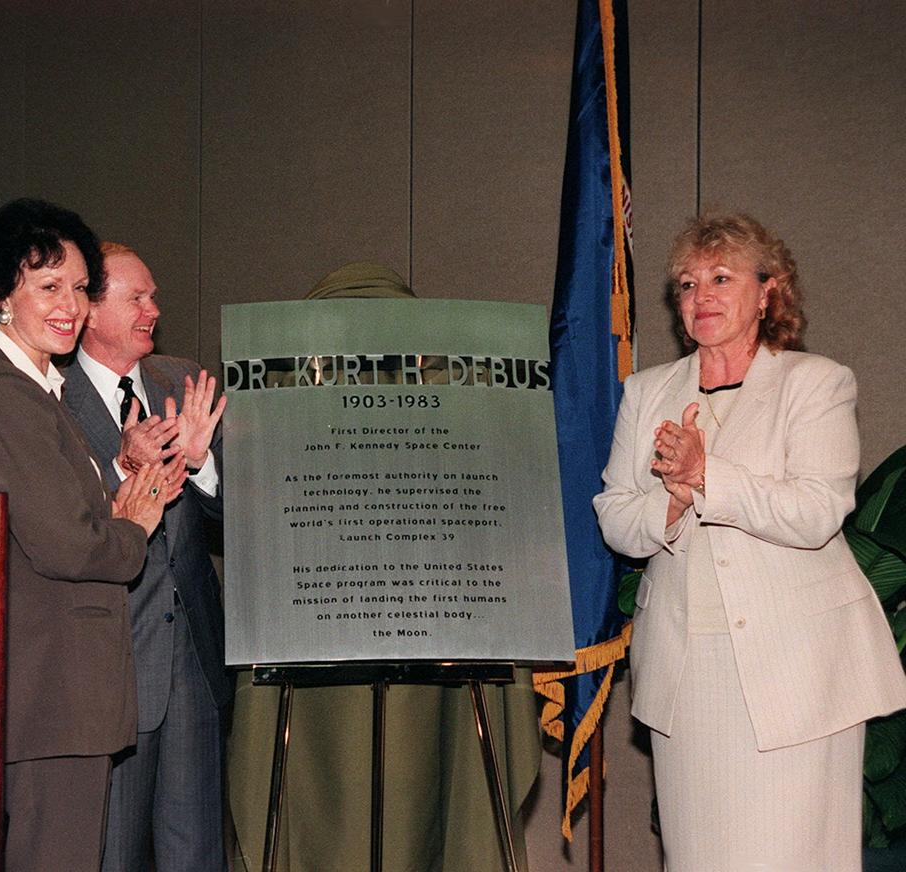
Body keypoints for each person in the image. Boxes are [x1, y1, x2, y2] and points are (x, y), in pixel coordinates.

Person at [593, 212, 906, 869]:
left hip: (801, 669)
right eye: (685, 284)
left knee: (795, 854)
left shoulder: (815, 384)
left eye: (720, 277)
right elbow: (617, 519)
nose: (700, 296)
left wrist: (708, 475)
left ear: (769, 291)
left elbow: (816, 511)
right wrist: (675, 500)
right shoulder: (647, 393)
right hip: (690, 674)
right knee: (700, 855)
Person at [226, 262, 543, 872]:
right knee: (435, 802)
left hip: (312, 640)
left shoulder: (278, 406)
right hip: (436, 641)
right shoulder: (459, 404)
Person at [0, 200, 185, 872]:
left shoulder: (32, 387)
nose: (69, 305)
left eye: (79, 288)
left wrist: (129, 482)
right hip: (51, 696)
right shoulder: (4, 394)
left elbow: (55, 521)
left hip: (56, 694)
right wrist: (133, 522)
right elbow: (71, 545)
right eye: (48, 287)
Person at [60, 242, 231, 872]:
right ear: (92, 311)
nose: (153, 309)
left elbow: (234, 519)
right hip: (110, 667)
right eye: (136, 297)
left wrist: (202, 463)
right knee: (111, 854)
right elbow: (59, 529)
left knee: (197, 854)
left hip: (191, 660)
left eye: (153, 294)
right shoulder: (49, 398)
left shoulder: (179, 382)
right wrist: (123, 471)